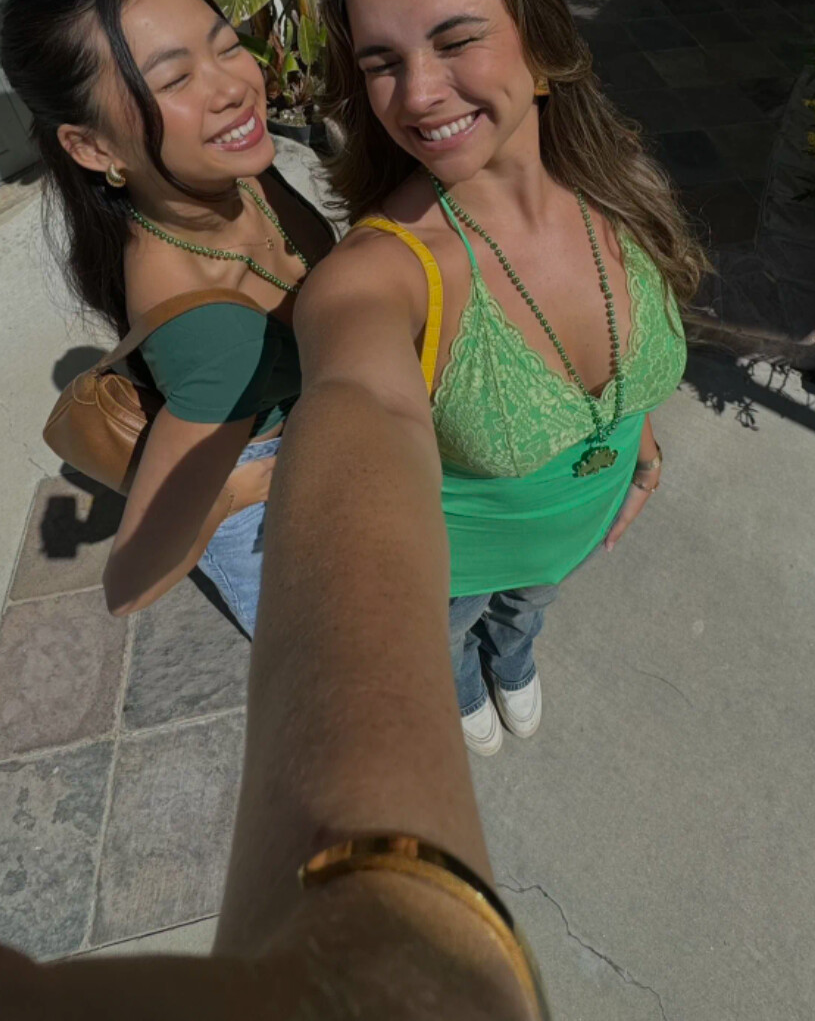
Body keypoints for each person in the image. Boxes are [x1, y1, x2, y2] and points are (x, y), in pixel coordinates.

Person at [1, 352, 548, 1020]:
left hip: (308, 428)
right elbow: (130, 583)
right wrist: (237, 487)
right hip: (243, 464)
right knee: (302, 635)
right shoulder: (195, 329)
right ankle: (453, 681)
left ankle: (467, 673)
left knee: (354, 617)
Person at [297, 0, 705, 755]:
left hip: (575, 528)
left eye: (455, 41)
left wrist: (640, 445)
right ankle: (455, 679)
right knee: (452, 628)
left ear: (544, 44)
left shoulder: (617, 183)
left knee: (527, 606)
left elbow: (622, 375)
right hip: (451, 571)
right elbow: (345, 385)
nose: (416, 94)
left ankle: (512, 656)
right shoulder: (383, 273)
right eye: (381, 62)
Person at [0, 0, 333, 633]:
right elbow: (132, 580)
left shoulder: (224, 174)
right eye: (176, 78)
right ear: (93, 148)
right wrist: (233, 487)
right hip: (266, 506)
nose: (234, 87)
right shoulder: (216, 335)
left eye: (227, 45)